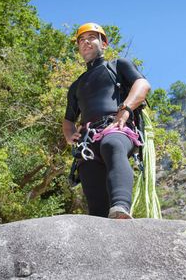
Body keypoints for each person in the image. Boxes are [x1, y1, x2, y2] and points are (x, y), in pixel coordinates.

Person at [63, 22, 150, 219]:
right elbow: (68, 120)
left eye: (91, 38)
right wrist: (70, 136)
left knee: (112, 144)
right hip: (88, 140)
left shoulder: (118, 65)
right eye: (81, 40)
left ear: (104, 43)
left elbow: (142, 84)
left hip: (116, 127)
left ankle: (121, 208)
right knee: (89, 177)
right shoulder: (76, 86)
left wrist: (126, 109)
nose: (86, 43)